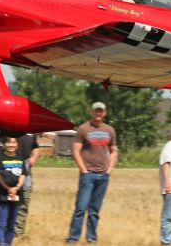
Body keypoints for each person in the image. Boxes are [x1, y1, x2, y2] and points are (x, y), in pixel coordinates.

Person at [66, 101, 118, 244]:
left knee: (95, 209)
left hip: (103, 175)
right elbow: (76, 151)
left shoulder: (110, 130)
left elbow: (114, 150)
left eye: (101, 111)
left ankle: (91, 238)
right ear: (92, 112)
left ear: (105, 113)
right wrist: (83, 170)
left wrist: (110, 169)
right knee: (81, 208)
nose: (98, 113)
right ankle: (73, 238)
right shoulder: (83, 129)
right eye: (96, 111)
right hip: (88, 174)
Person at [0, 136, 28, 246]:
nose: (11, 145)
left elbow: (23, 175)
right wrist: (9, 189)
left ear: (17, 145)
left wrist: (16, 188)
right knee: (2, 223)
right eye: (8, 142)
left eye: (14, 142)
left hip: (17, 194)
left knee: (11, 225)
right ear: (4, 144)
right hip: (3, 194)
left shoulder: (21, 159)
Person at [14, 133, 41, 238]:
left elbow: (35, 147)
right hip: (10, 163)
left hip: (26, 166)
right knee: (7, 199)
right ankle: (5, 229)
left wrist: (34, 157)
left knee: (25, 199)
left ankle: (19, 231)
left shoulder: (31, 130)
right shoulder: (10, 126)